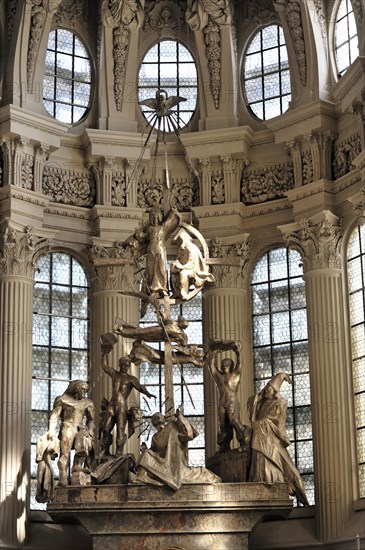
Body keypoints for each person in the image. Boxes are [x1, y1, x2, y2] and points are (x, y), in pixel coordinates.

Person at [247, 372, 309, 506]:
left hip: (271, 438)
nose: (266, 390)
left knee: (280, 463)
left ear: (275, 391)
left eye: (269, 388)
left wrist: (261, 424)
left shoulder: (280, 403)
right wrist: (257, 399)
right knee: (259, 461)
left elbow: (275, 420)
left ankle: (279, 486)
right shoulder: (261, 403)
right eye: (266, 387)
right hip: (260, 436)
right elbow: (252, 414)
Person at [134, 407, 221, 490]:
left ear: (164, 418)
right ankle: (142, 477)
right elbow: (154, 453)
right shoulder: (155, 437)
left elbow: (189, 435)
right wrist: (145, 450)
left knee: (201, 474)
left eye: (159, 415)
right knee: (146, 454)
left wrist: (180, 416)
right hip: (162, 465)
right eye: (155, 417)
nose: (157, 417)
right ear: (153, 423)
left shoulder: (173, 426)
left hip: (176, 465)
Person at [99, 351, 155, 457]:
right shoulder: (114, 374)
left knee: (120, 430)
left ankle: (118, 453)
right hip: (112, 405)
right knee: (106, 428)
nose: (125, 366)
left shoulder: (131, 379)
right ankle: (105, 450)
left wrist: (148, 394)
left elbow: (140, 387)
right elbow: (104, 366)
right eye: (124, 364)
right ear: (120, 365)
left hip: (122, 406)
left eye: (127, 365)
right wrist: (104, 352)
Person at [47, 380, 95, 487]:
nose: (84, 392)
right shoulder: (62, 400)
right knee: (65, 454)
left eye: (85, 390)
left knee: (83, 450)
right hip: (67, 427)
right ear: (75, 388)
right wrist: (51, 430)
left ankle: (76, 471)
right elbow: (55, 416)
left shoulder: (88, 403)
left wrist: (90, 430)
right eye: (82, 389)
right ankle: (63, 477)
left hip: (80, 429)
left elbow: (91, 420)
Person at [208, 340, 250, 452]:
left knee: (234, 421)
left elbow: (240, 363)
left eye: (226, 364)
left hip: (232, 401)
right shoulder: (219, 377)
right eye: (222, 364)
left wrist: (238, 351)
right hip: (222, 402)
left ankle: (245, 442)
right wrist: (213, 352)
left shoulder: (235, 375)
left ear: (231, 366)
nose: (224, 366)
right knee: (222, 425)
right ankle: (224, 446)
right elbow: (211, 367)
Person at [133, 206, 181, 300]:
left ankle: (162, 288)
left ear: (159, 218)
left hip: (160, 250)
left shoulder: (162, 227)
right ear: (151, 219)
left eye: (156, 217)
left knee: (161, 268)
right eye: (153, 218)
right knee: (151, 269)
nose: (155, 220)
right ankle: (153, 289)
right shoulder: (149, 228)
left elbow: (169, 220)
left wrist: (172, 211)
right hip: (151, 250)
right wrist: (138, 234)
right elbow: (144, 237)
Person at [170, 227, 215, 300]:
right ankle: (176, 292)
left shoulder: (191, 248)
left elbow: (191, 263)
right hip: (184, 268)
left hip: (193, 270)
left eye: (180, 242)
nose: (180, 245)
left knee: (183, 273)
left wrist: (181, 267)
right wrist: (175, 264)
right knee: (173, 273)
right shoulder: (182, 250)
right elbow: (178, 260)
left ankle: (183, 292)